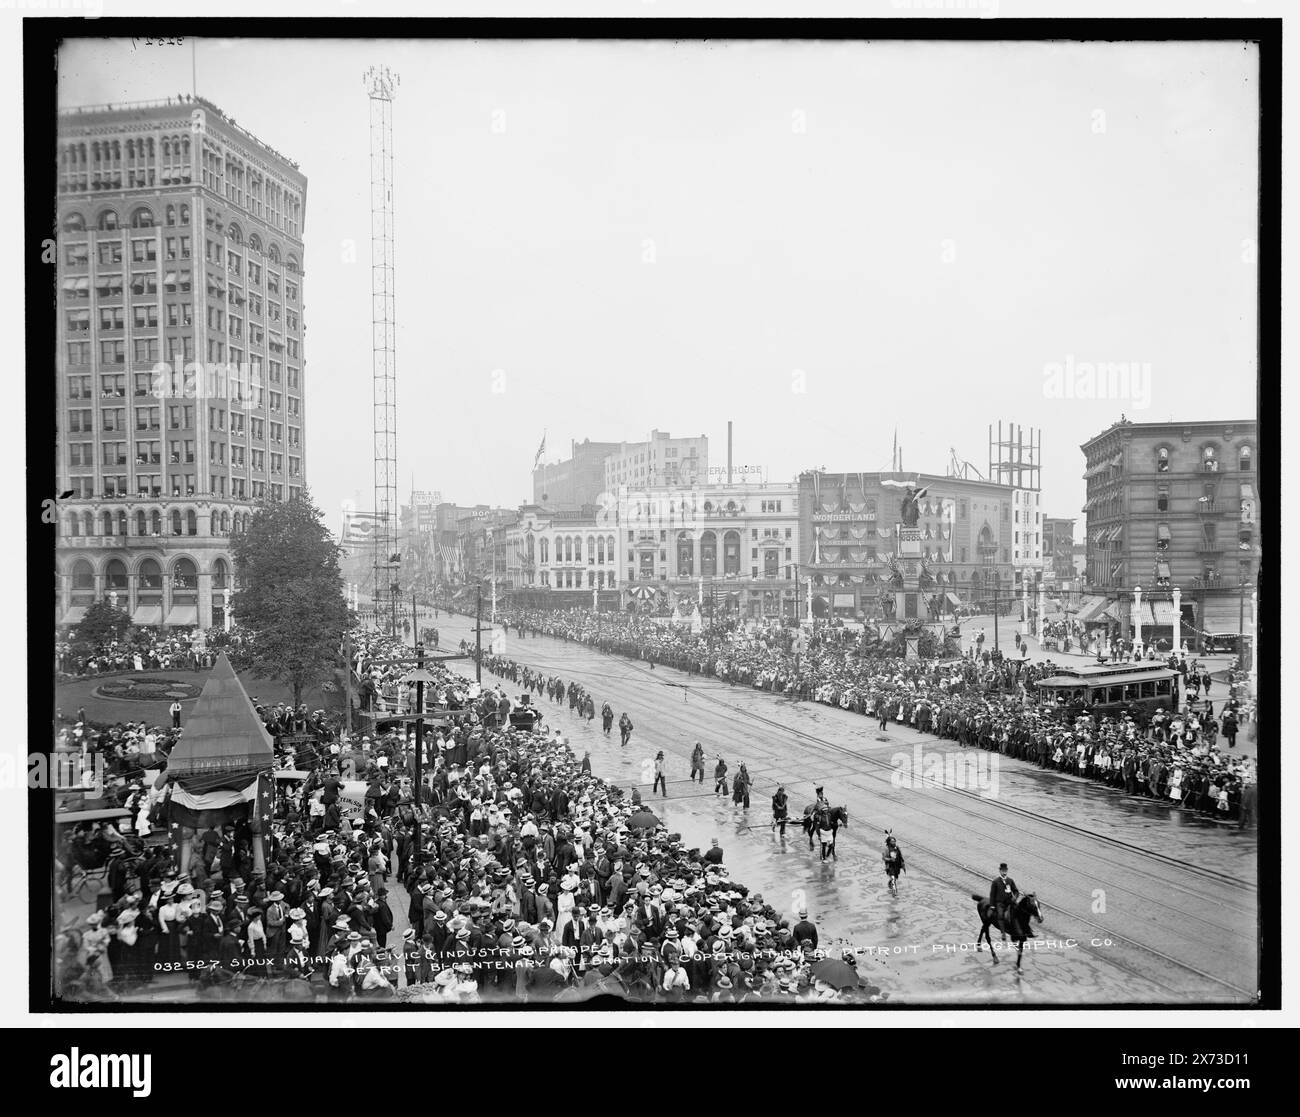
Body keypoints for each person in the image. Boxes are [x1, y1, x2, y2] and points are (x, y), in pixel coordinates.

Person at [988, 862, 1019, 938]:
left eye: (1005, 871)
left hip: (1010, 902)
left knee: (1019, 911)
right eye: (1003, 871)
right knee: (1000, 915)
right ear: (1000, 871)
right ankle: (1003, 932)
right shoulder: (995, 881)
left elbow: (1016, 891)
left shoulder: (1010, 881)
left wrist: (1014, 897)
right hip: (1000, 903)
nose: (1004, 872)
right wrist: (992, 905)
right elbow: (992, 894)